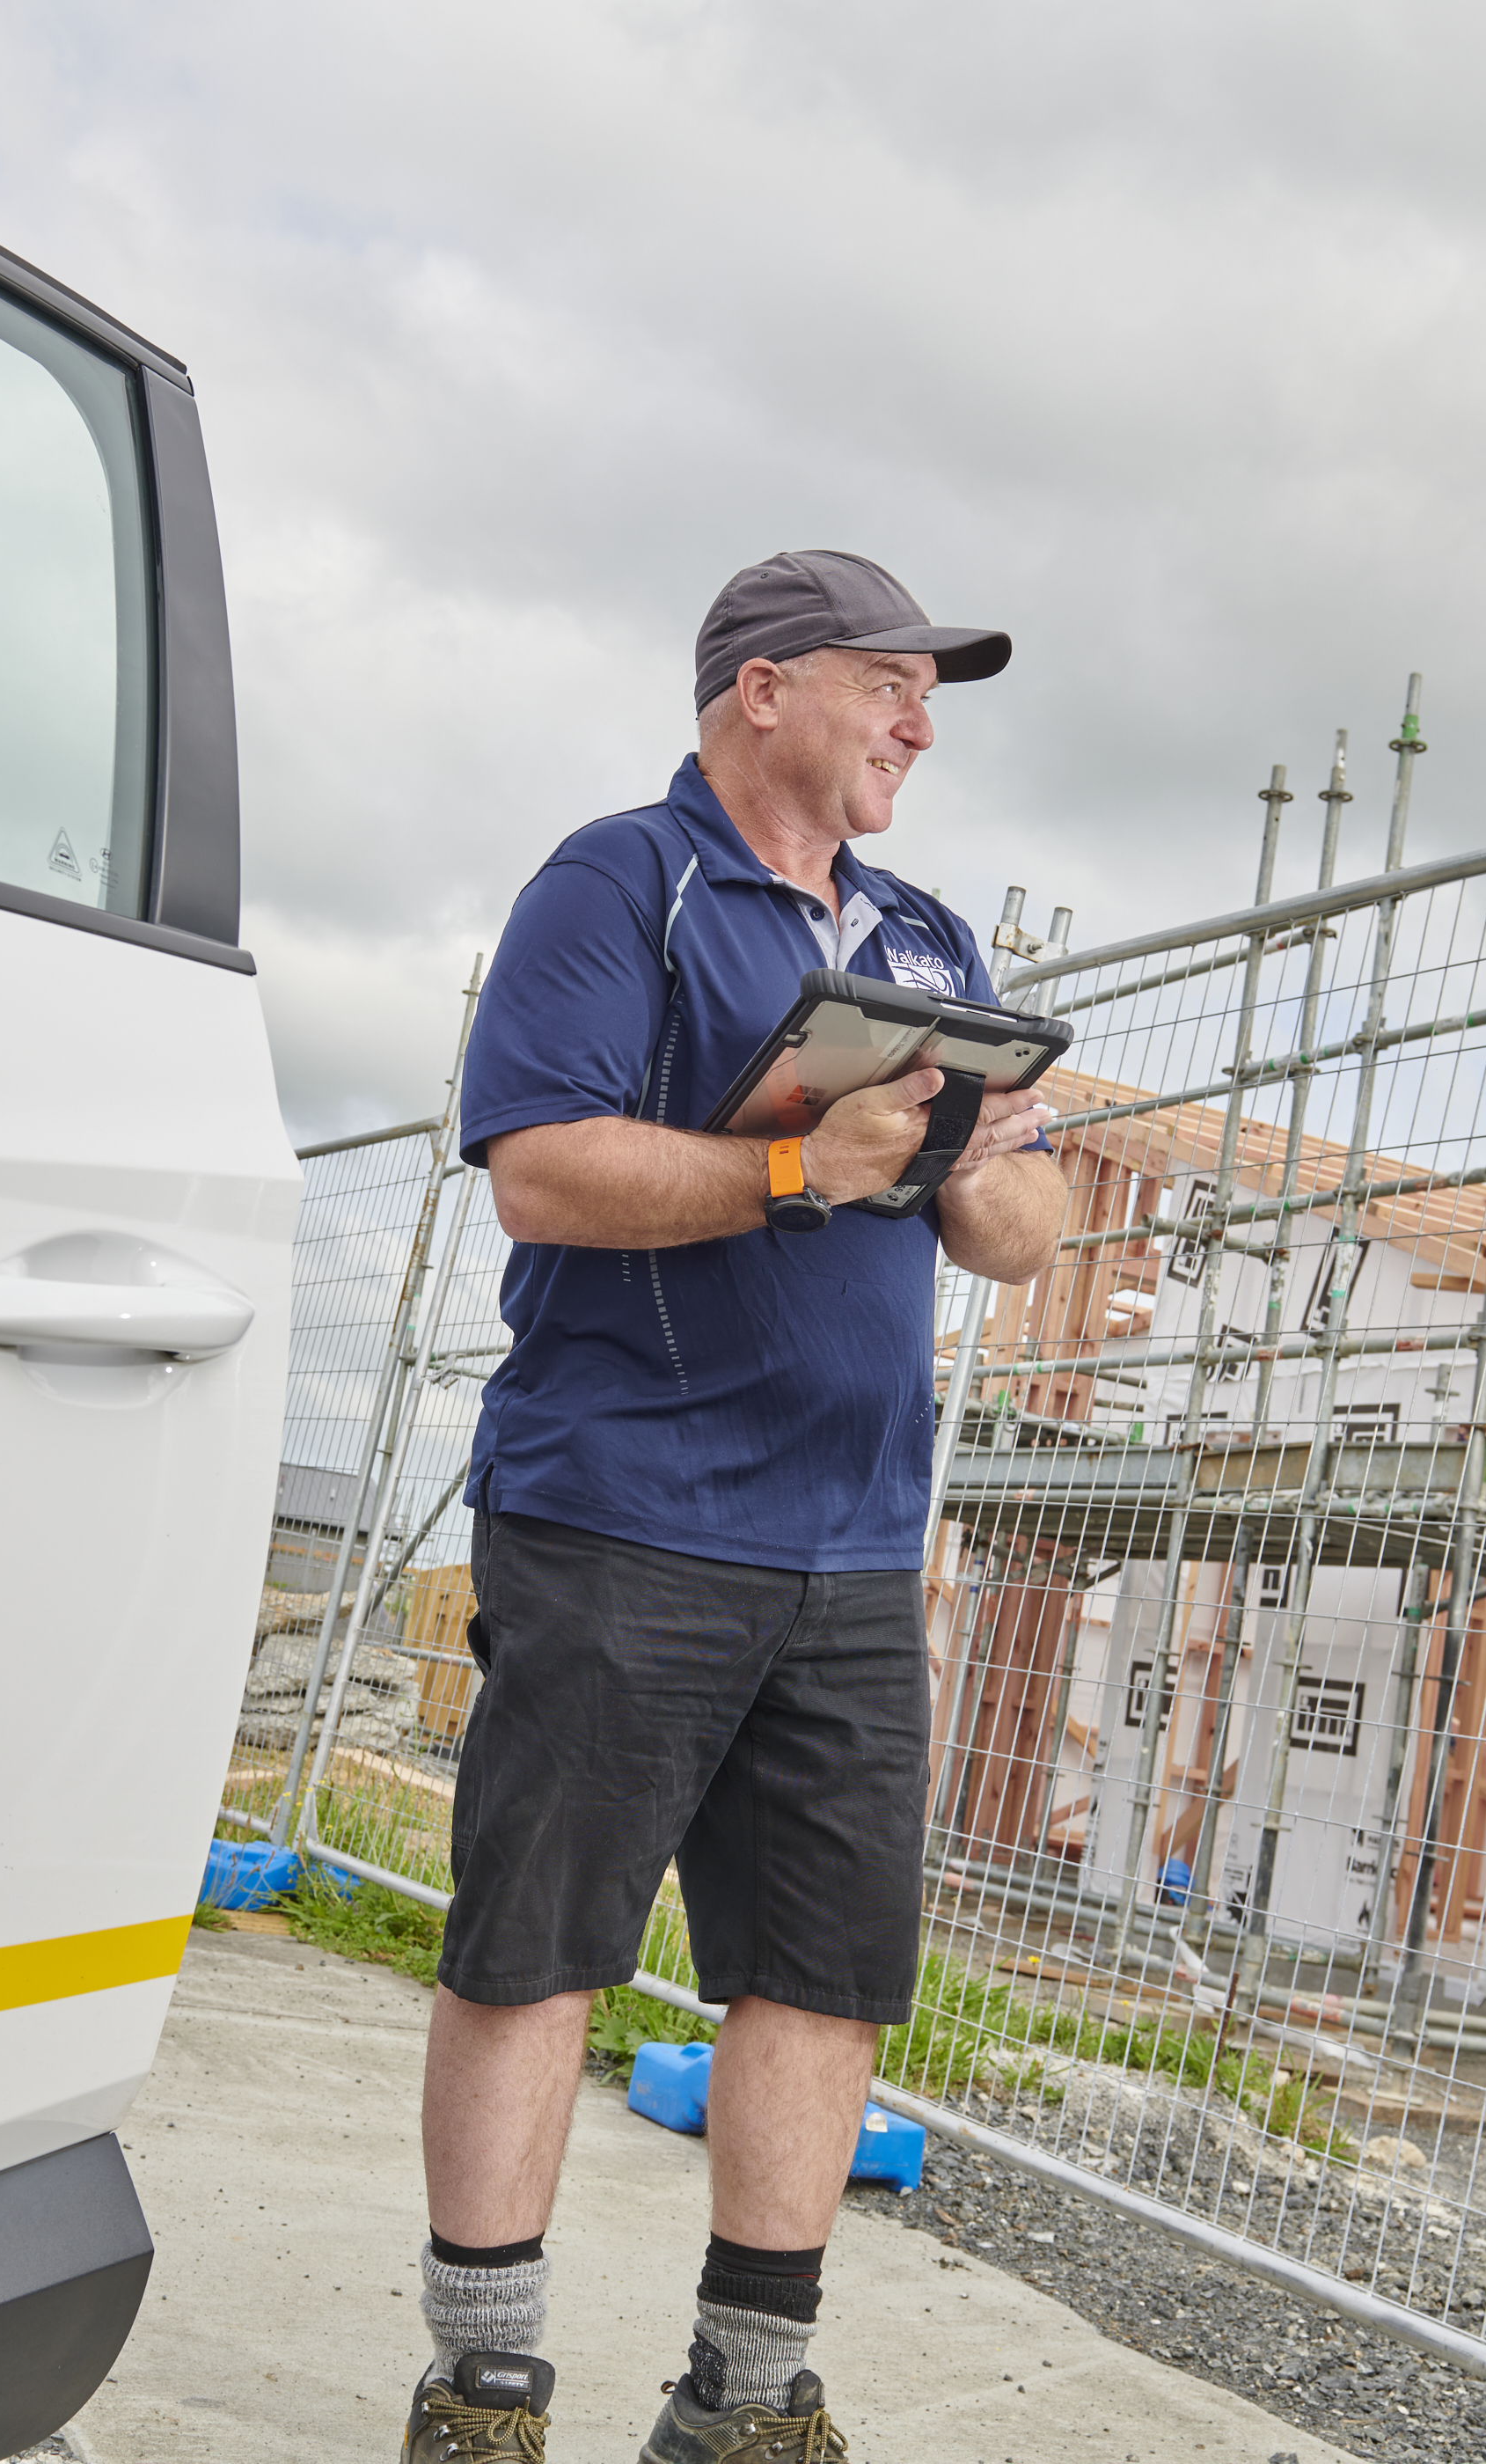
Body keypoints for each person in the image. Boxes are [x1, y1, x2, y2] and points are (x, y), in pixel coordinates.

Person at [402, 551, 1067, 2464]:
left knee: (822, 1972)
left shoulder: (931, 937)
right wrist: (797, 1165)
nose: (920, 723)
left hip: (853, 1543)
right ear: (763, 689)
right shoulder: (619, 882)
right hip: (625, 1508)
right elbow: (538, 1168)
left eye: (930, 694)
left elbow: (1026, 1231)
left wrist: (961, 1159)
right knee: (536, 1941)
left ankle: (748, 2399)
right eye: (890, 681)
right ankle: (485, 2381)